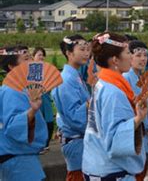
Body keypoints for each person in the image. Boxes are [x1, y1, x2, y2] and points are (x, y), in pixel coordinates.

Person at [82, 32, 148, 180]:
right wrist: (138, 119)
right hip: (110, 170)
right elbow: (115, 138)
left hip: (97, 163)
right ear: (115, 60)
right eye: (127, 52)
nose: (132, 56)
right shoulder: (113, 92)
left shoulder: (103, 82)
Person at [0, 45, 47, 181]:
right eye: (26, 59)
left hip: (20, 158)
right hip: (18, 160)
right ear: (11, 66)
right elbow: (14, 126)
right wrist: (32, 110)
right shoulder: (11, 90)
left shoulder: (18, 88)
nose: (32, 62)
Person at [52, 35, 91, 181]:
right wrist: (90, 103)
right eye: (81, 49)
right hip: (76, 141)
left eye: (87, 49)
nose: (86, 53)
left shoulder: (75, 76)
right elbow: (74, 117)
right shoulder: (66, 80)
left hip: (81, 141)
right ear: (68, 53)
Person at [123, 40, 148, 181]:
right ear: (129, 56)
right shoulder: (126, 78)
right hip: (134, 135)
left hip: (142, 134)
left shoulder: (140, 78)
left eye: (145, 55)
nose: (143, 59)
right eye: (138, 55)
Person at [32, 47, 55, 152]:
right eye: (39, 55)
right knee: (38, 123)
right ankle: (38, 145)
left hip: (46, 99)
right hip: (36, 101)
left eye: (42, 55)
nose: (41, 57)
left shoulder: (47, 69)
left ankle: (45, 144)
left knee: (49, 123)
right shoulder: (31, 70)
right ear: (34, 56)